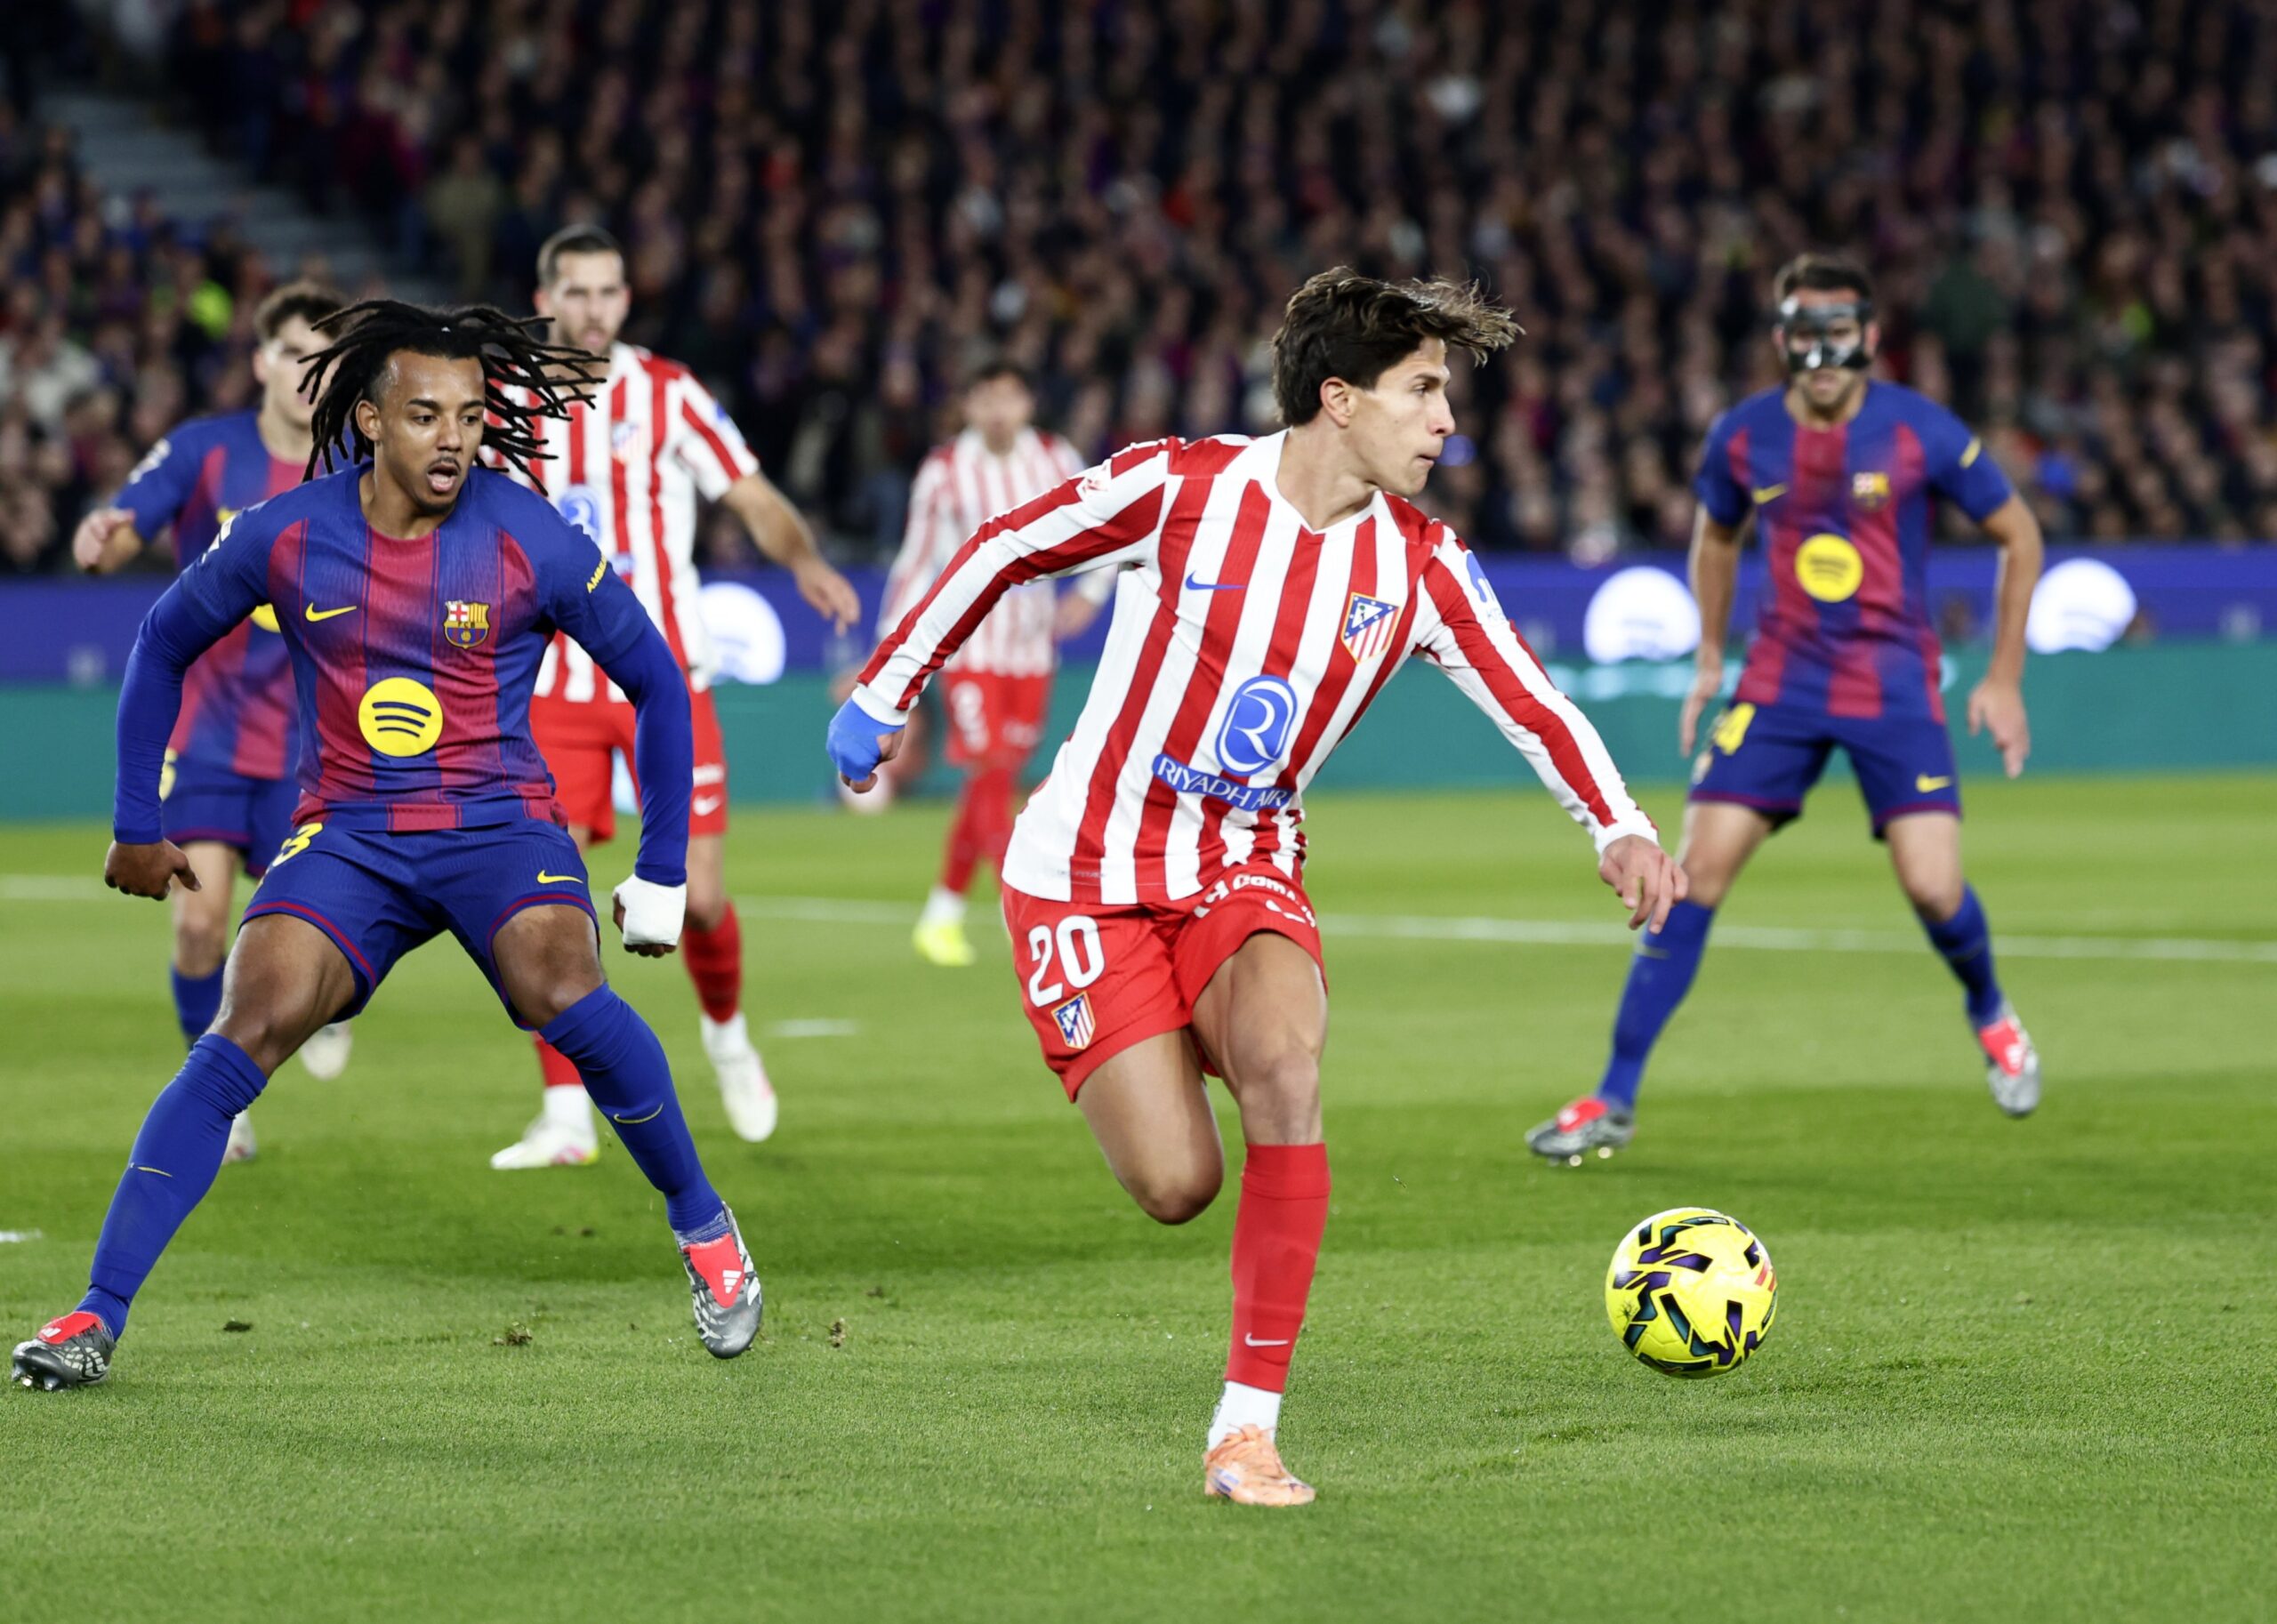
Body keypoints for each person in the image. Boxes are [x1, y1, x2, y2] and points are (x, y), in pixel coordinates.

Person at [827, 269, 1683, 1505]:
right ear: (1340, 399)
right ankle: (1139, 1036)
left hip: (1244, 863)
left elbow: (1531, 697)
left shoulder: (1423, 564)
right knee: (1178, 1185)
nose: (1449, 421)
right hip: (1083, 874)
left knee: (1288, 1063)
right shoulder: (1182, 487)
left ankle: (1246, 1430)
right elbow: (1011, 543)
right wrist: (886, 683)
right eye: (1424, 392)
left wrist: (1618, 824)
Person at [12, 301, 761, 1393]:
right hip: (350, 835)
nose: (453, 437)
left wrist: (659, 862)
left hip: (499, 824)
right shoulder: (285, 531)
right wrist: (137, 819)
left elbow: (654, 678)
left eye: (469, 415)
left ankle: (703, 1225)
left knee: (562, 983)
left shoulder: (527, 531)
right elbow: (161, 642)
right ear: (368, 419)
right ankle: (96, 1311)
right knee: (249, 1019)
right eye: (425, 414)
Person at [1526, 253, 2047, 1166]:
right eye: (1803, 332)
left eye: (1838, 330)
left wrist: (2002, 676)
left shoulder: (1919, 430)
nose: (1821, 349)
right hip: (1779, 680)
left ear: (1870, 337)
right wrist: (1709, 659)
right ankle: (1612, 1095)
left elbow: (2019, 534)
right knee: (1691, 876)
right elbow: (1715, 537)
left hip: (1892, 681)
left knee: (1932, 885)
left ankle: (1988, 1008)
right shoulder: (1741, 436)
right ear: (1779, 340)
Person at [488, 225, 862, 1169]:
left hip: (663, 679)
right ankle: (566, 1113)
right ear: (544, 295)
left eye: (608, 291)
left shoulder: (668, 392)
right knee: (547, 898)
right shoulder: (504, 400)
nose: (593, 308)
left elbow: (750, 494)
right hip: (553, 681)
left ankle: (728, 1035)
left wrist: (805, 557)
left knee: (699, 898)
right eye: (575, 290)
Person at [70, 281, 354, 1159]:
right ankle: (219, 1093)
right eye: (296, 355)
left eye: (326, 361)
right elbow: (132, 518)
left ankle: (329, 1008)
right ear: (264, 361)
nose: (311, 375)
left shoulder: (355, 464)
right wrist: (105, 535)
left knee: (318, 953)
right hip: (210, 727)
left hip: (317, 738)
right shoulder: (205, 448)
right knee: (199, 921)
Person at [879, 359, 1106, 966]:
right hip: (972, 646)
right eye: (986, 398)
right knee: (988, 771)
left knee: (994, 779)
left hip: (1032, 650)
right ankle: (1023, 915)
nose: (999, 410)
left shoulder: (1057, 459)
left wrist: (1088, 592)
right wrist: (888, 652)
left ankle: (941, 916)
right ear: (970, 407)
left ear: (1028, 403)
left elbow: (1112, 522)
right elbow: (915, 560)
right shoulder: (946, 470)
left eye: (1010, 397)